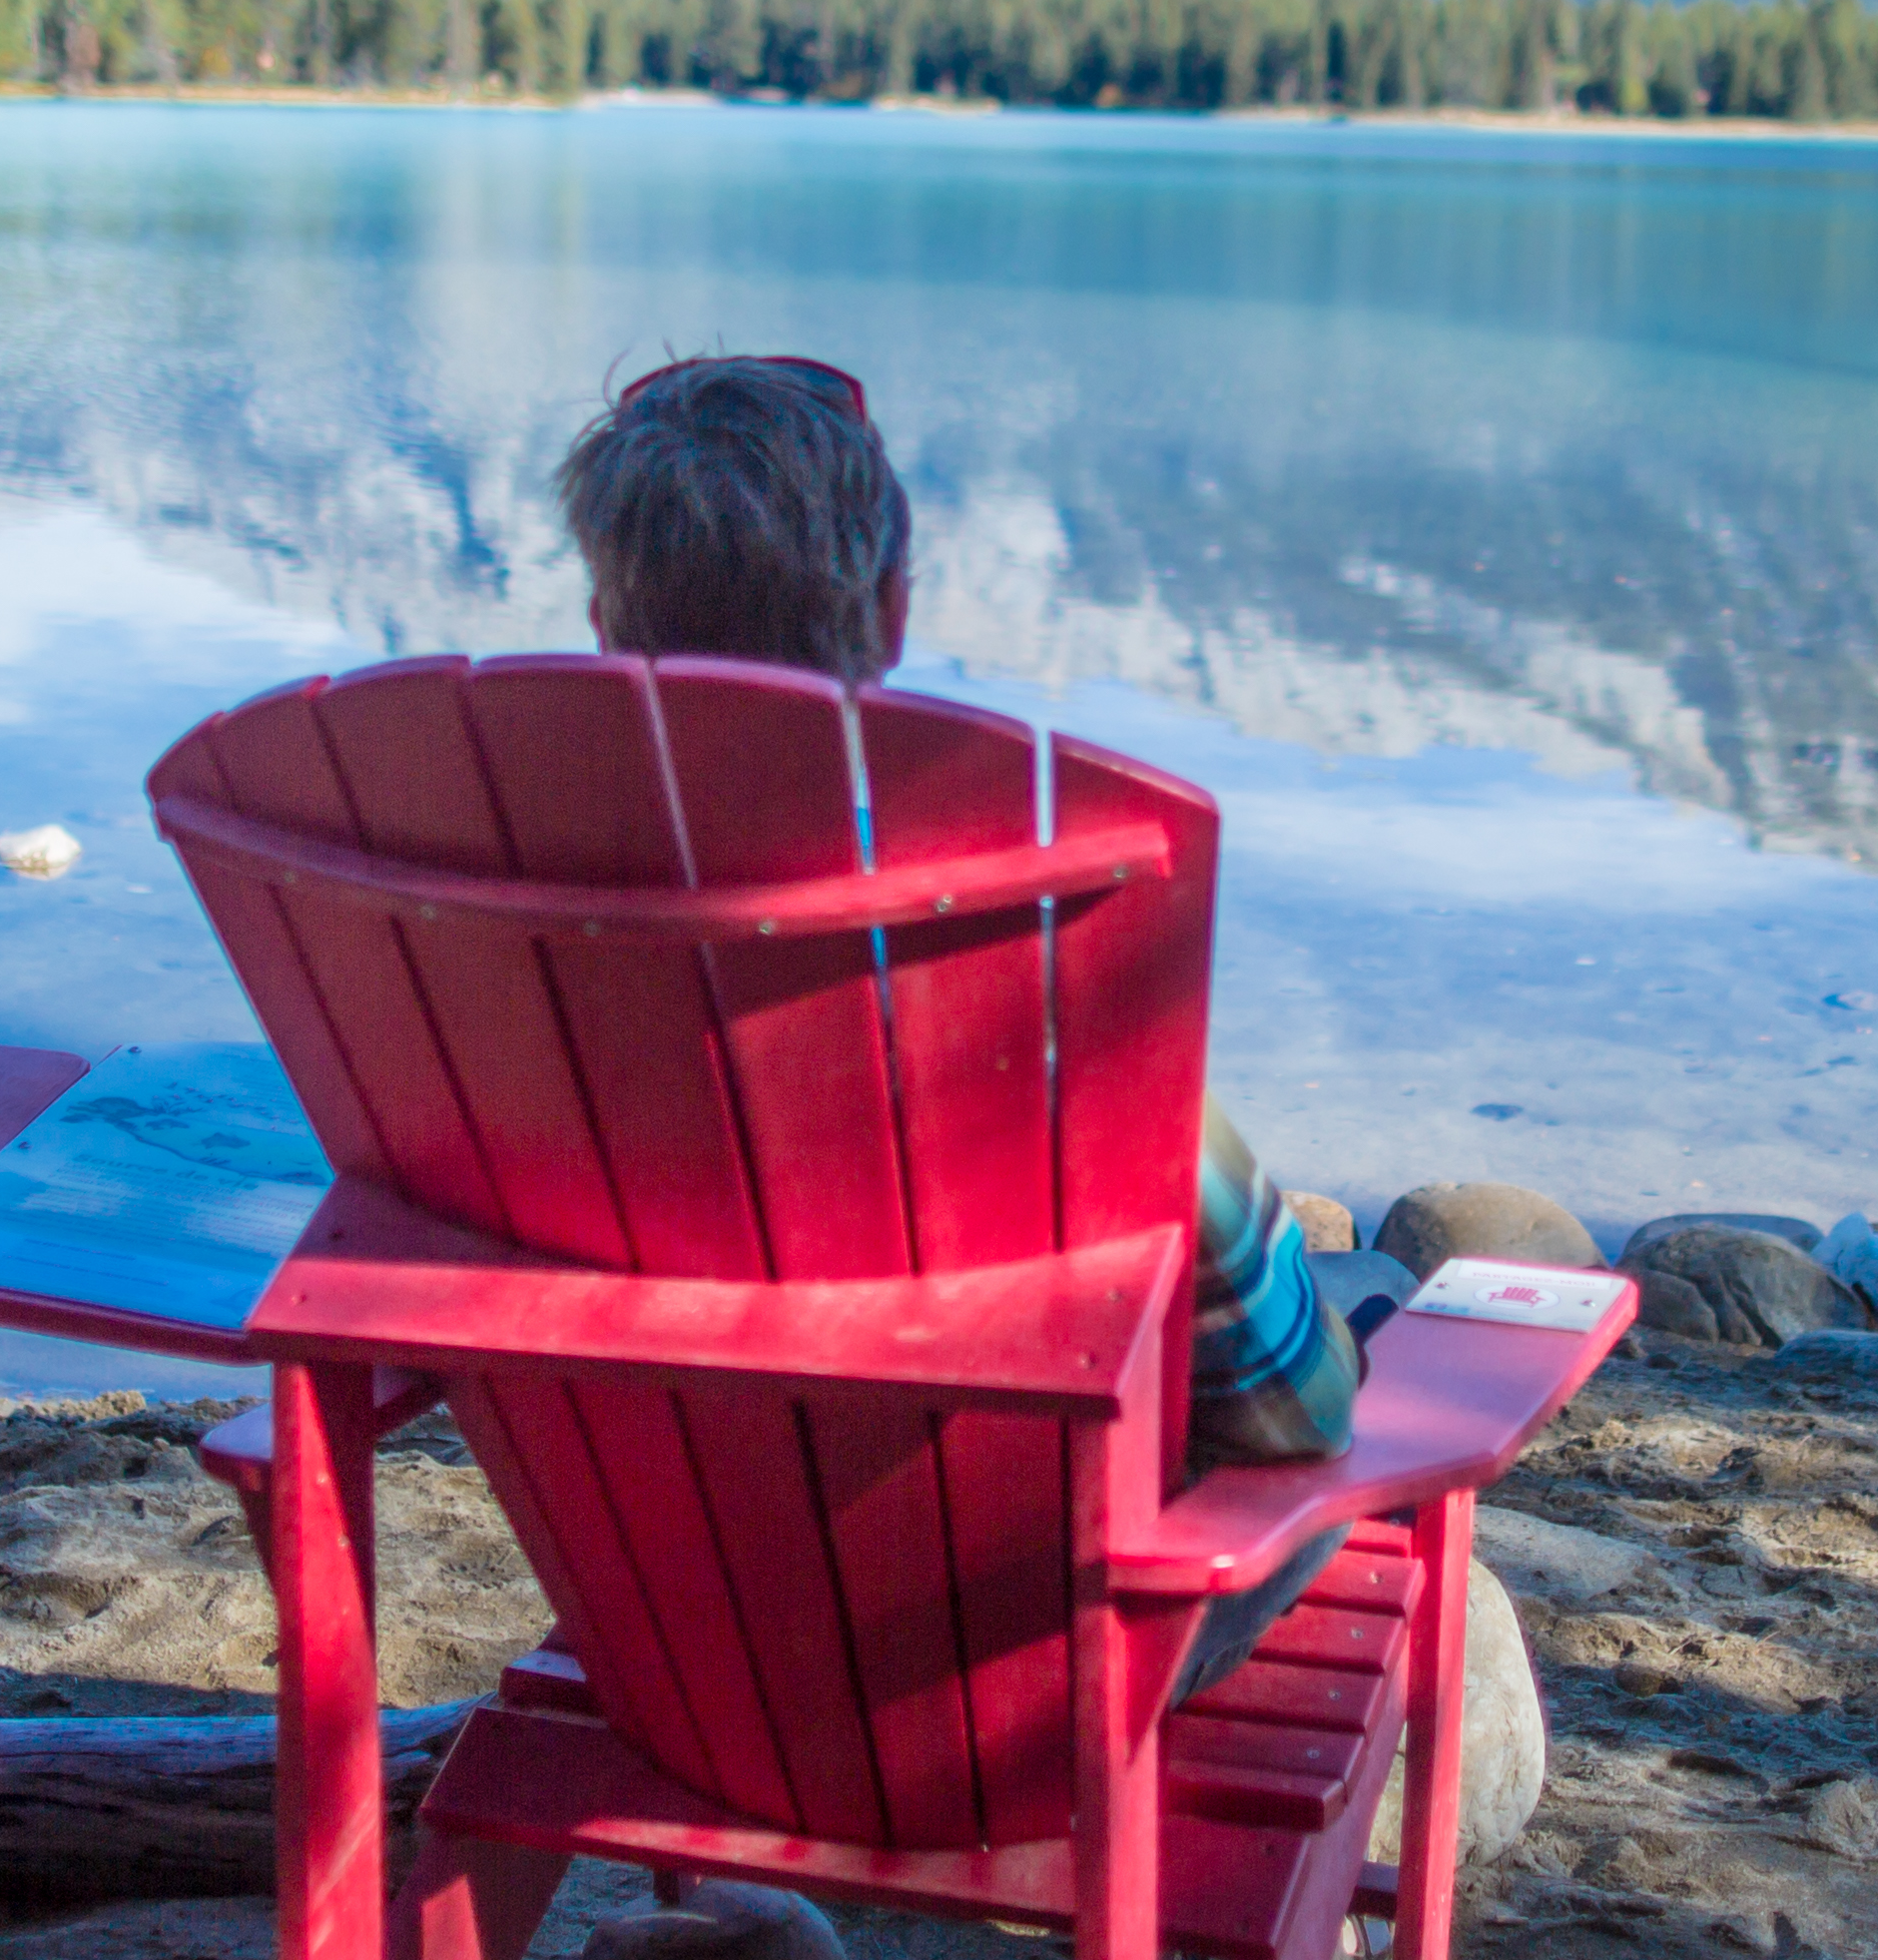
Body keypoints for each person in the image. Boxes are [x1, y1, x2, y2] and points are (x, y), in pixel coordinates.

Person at [556, 354, 1365, 1684]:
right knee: (1346, 1443)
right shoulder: (1021, 950)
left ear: (600, 618)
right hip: (1023, 1686)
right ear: (886, 613)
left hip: (678, 1641)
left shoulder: (503, 940)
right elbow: (1293, 1399)